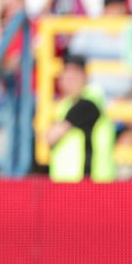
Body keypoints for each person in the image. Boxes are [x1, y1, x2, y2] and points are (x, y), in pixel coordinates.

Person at [46, 54, 115, 183]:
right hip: (66, 183)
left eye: (74, 75)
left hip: (91, 184)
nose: (69, 80)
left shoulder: (90, 101)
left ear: (85, 77)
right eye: (66, 74)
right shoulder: (64, 105)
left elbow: (51, 136)